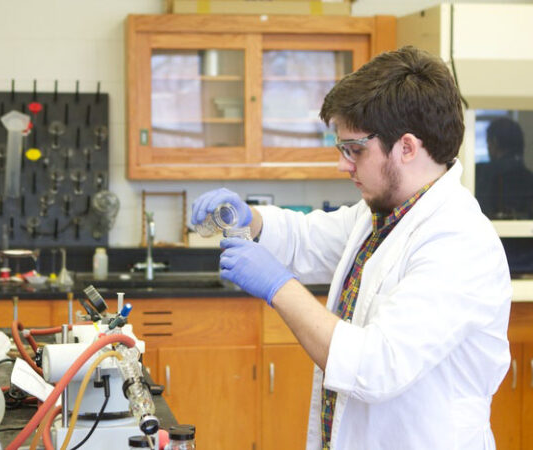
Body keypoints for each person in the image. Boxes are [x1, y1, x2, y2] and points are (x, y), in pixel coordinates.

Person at [191, 46, 511, 450]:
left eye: (354, 149)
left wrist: (279, 287)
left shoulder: (458, 242)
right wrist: (250, 219)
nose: (343, 164)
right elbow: (309, 238)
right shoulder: (382, 214)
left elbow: (376, 365)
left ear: (407, 148)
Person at [475, 116, 533, 219]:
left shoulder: (483, 173)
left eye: (488, 143)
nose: (488, 148)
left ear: (495, 142)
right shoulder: (528, 178)